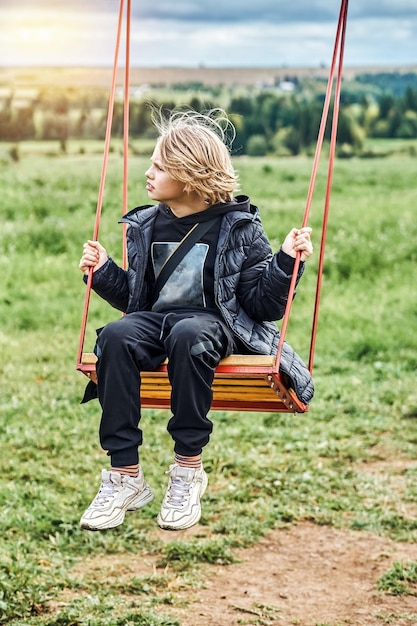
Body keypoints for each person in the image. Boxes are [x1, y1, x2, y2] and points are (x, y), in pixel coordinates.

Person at [78, 108, 313, 532]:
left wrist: (284, 263)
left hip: (214, 327)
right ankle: (125, 476)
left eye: (159, 166)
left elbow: (261, 305)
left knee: (190, 332)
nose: (148, 173)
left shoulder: (239, 227)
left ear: (188, 174)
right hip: (156, 322)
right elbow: (136, 300)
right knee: (114, 336)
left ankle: (187, 470)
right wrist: (103, 271)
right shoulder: (145, 225)